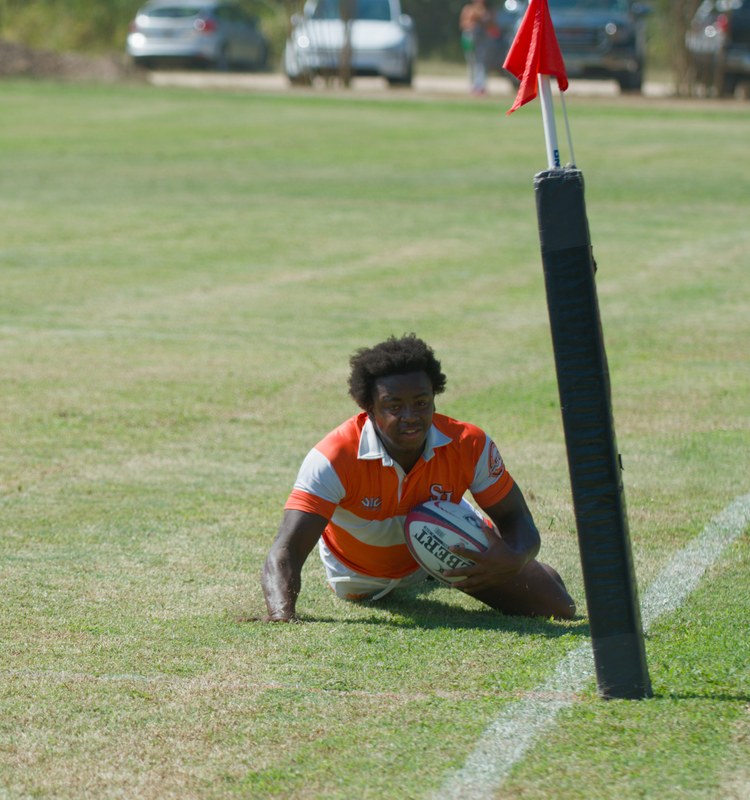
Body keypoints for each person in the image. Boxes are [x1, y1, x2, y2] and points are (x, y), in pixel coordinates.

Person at [261, 334, 576, 623]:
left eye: (421, 403)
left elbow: (517, 519)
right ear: (368, 407)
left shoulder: (469, 444)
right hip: (361, 578)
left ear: (434, 398)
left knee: (557, 605)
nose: (410, 416)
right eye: (394, 406)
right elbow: (285, 550)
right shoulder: (334, 456)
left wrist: (513, 558)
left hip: (441, 538)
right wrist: (281, 613)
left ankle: (444, 566)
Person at [459, 0, 492, 95]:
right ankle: (473, 85)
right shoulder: (468, 9)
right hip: (470, 38)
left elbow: (491, 24)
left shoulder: (487, 11)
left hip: (481, 38)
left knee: (481, 62)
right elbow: (463, 24)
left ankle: (481, 86)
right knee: (471, 62)